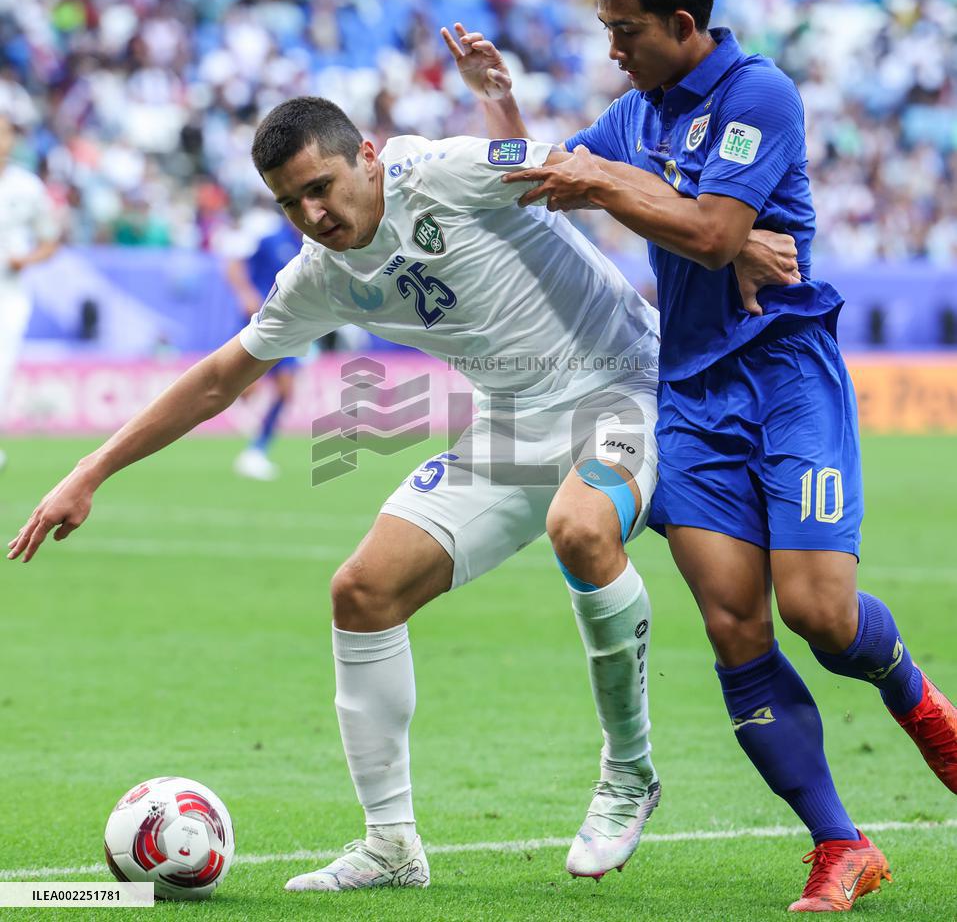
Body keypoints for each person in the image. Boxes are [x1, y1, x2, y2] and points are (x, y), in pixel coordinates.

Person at [8, 96, 794, 894]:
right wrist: (90, 471)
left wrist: (719, 240)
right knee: (362, 591)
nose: (312, 214)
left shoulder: (444, 173)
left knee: (582, 530)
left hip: (624, 389)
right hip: (511, 428)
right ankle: (390, 845)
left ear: (369, 156)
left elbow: (582, 172)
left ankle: (628, 773)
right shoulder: (319, 276)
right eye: (289, 202)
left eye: (321, 186)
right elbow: (218, 381)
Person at [444, 0, 957, 912]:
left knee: (821, 615)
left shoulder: (757, 93)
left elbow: (716, 229)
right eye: (604, 27)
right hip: (690, 396)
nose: (611, 48)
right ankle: (840, 844)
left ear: (683, 23)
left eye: (625, 29)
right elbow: (541, 178)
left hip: (787, 378)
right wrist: (497, 105)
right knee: (733, 623)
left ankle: (921, 703)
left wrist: (621, 188)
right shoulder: (634, 115)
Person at [221, 214, 303, 481]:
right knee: (246, 390)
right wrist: (245, 294)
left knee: (286, 389)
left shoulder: (308, 243)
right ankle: (247, 436)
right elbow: (234, 264)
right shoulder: (268, 237)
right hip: (258, 322)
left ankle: (257, 450)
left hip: (291, 326)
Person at [0, 114, 61, 471]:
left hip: (8, 291)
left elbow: (50, 241)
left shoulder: (27, 187)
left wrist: (25, 260)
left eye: (4, 133)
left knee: (2, 366)